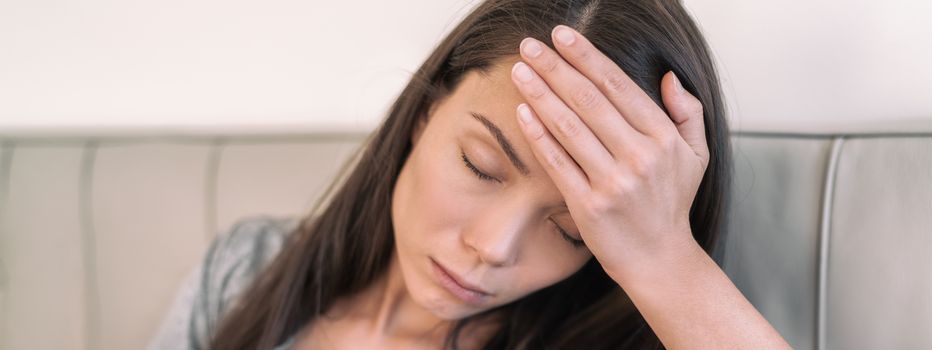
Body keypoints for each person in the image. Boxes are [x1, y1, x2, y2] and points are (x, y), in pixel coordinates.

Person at [149, 0, 793, 349]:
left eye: (573, 231)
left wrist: (664, 259)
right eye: (481, 167)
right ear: (425, 116)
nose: (493, 247)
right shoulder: (246, 268)